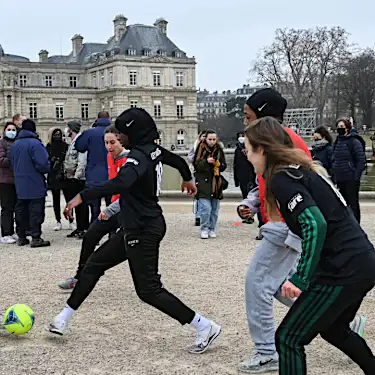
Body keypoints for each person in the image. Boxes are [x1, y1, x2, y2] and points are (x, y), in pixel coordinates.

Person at [48, 107, 221, 355]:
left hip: (143, 228)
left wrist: (82, 196)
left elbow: (121, 183)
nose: (118, 136)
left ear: (132, 132)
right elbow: (178, 160)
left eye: (121, 132)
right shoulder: (153, 150)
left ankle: (205, 326)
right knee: (94, 264)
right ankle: (62, 318)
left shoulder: (137, 157)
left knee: (148, 290)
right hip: (136, 225)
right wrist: (186, 178)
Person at [236, 88, 365, 374]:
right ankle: (336, 316)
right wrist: (251, 202)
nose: (244, 152)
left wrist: (302, 270)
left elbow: (312, 217)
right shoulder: (278, 152)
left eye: (247, 117)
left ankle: (267, 352)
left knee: (261, 289)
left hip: (289, 229)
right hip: (296, 230)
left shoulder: (281, 155)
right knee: (280, 288)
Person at [58, 125, 128, 290]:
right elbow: (110, 186)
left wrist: (109, 210)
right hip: (117, 207)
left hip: (131, 209)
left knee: (126, 249)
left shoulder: (129, 160)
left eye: (113, 142)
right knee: (91, 235)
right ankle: (80, 276)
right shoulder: (111, 157)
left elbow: (129, 194)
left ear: (122, 141)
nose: (109, 147)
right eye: (106, 143)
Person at [9, 119, 51, 247]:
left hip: (19, 181)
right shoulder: (35, 143)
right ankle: (35, 237)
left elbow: (10, 162)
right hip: (34, 181)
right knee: (36, 210)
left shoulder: (15, 144)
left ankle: (21, 236)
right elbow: (43, 164)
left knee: (21, 209)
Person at [75, 111, 111, 223]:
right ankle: (113, 234)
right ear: (109, 118)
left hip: (94, 175)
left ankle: (94, 236)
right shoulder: (116, 132)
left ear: (97, 119)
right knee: (112, 207)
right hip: (112, 175)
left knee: (94, 209)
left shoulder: (90, 133)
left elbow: (79, 146)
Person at [193, 129, 227, 239]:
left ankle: (212, 228)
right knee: (206, 208)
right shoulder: (200, 148)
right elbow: (196, 165)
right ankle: (204, 228)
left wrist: (219, 164)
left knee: (214, 209)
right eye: (210, 139)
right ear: (206, 139)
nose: (212, 141)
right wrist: (206, 162)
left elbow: (224, 166)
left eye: (214, 139)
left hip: (215, 182)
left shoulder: (219, 150)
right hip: (203, 181)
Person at [332, 118, 365, 223]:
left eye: (341, 127)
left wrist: (356, 177)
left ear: (347, 128)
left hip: (351, 178)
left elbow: (360, 160)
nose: (339, 129)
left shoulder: (354, 141)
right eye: (338, 126)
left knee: (353, 204)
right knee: (342, 204)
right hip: (340, 178)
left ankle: (356, 224)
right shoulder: (337, 141)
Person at [63, 121, 89, 238]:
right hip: (71, 177)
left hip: (77, 178)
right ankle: (79, 227)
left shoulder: (79, 141)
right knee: (76, 204)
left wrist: (77, 177)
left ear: (71, 129)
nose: (65, 130)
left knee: (81, 205)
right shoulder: (73, 141)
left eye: (67, 128)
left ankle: (83, 228)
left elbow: (82, 161)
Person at [46, 127, 74, 231]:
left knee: (69, 200)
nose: (57, 136)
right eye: (55, 134)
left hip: (65, 175)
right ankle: (58, 221)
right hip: (54, 175)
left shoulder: (66, 146)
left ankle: (71, 220)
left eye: (59, 134)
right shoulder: (48, 147)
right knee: (56, 200)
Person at [0, 122, 18, 244]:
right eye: (9, 129)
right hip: (5, 180)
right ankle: (5, 233)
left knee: (16, 206)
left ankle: (12, 231)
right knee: (6, 207)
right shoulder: (1, 143)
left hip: (16, 179)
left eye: (13, 129)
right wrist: (14, 160)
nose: (11, 131)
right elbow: (1, 160)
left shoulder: (17, 142)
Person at [187, 131, 206, 226]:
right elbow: (189, 158)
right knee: (198, 196)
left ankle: (203, 216)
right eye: (202, 136)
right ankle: (198, 216)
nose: (203, 138)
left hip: (207, 175)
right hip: (196, 173)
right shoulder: (195, 146)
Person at [234, 131, 256, 199]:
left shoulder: (252, 148)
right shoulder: (237, 150)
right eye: (240, 136)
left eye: (243, 136)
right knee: (244, 194)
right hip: (241, 176)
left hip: (251, 176)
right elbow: (235, 165)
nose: (241, 138)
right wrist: (236, 180)